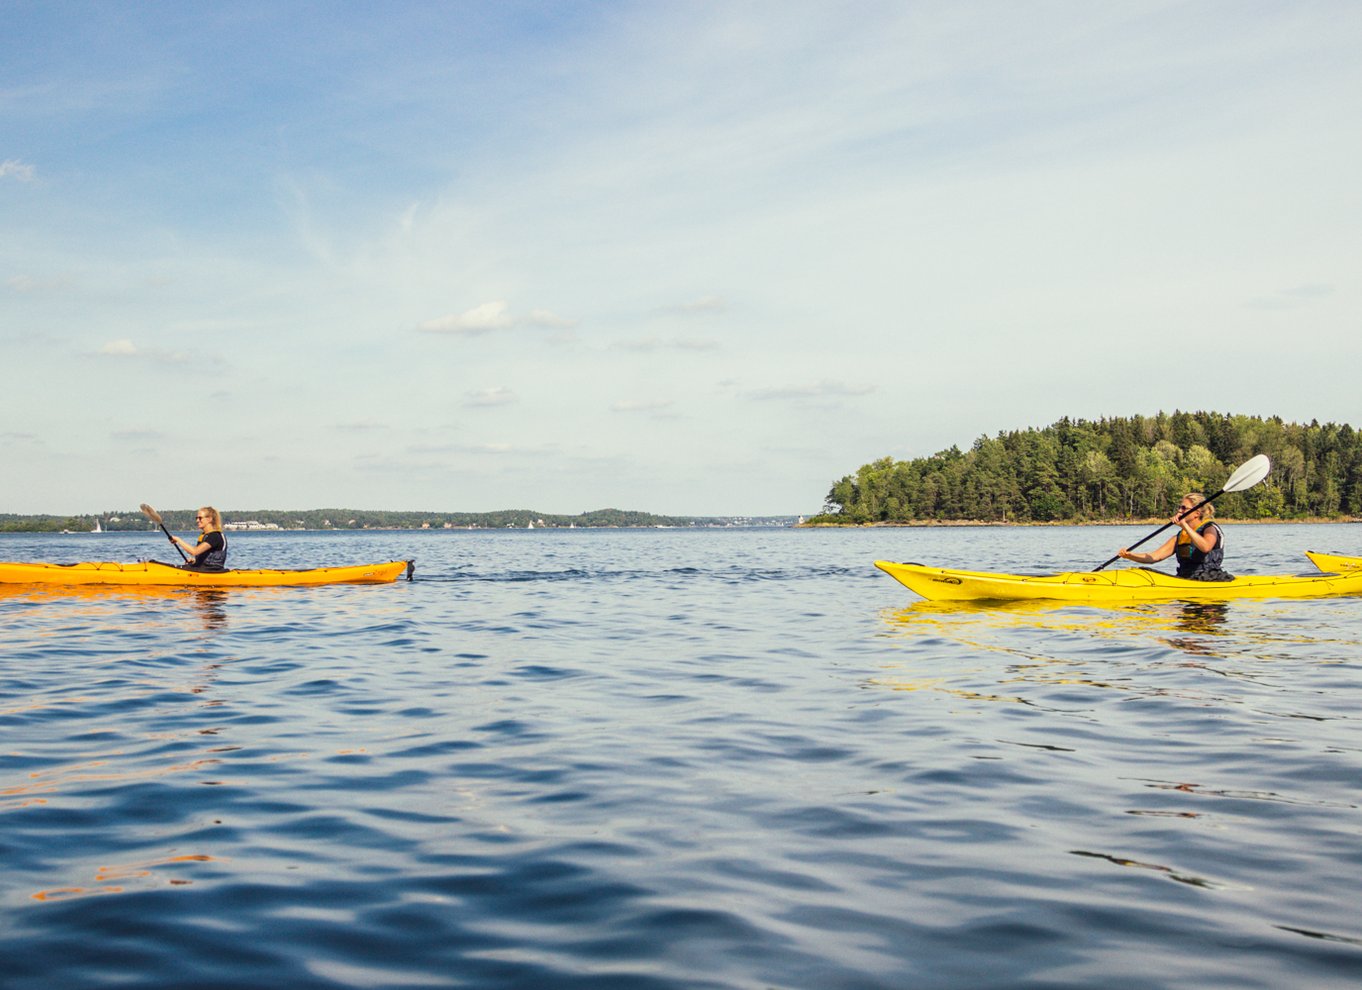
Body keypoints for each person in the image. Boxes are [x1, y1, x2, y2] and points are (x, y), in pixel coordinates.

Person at [1116, 493, 1231, 581]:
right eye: (1180, 507)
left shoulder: (1210, 528)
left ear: (1197, 513)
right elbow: (1155, 557)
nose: (1179, 511)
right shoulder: (1180, 536)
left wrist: (1185, 526)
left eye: (1184, 508)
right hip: (1185, 579)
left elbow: (1206, 547)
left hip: (1210, 579)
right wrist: (1130, 555)